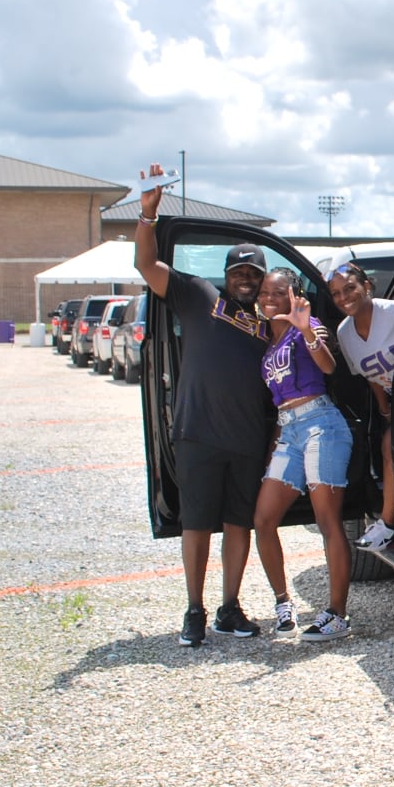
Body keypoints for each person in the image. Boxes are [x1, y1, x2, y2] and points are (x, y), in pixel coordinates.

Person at [134, 182, 272, 645]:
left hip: (249, 438)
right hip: (197, 433)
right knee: (195, 524)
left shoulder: (271, 324)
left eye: (254, 273)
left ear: (262, 278)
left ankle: (229, 608)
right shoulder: (197, 294)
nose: (246, 279)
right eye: (240, 271)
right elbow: (146, 265)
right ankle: (194, 610)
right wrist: (149, 215)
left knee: (239, 524)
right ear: (227, 273)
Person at [250, 269, 355, 641]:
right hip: (289, 432)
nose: (268, 298)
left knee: (328, 522)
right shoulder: (269, 339)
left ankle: (337, 615)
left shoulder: (306, 326)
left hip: (321, 426)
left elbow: (327, 365)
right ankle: (283, 605)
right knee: (263, 520)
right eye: (264, 292)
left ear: (294, 295)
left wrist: (307, 328)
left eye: (278, 292)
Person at [329, 263, 394, 549]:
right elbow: (370, 377)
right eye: (336, 293)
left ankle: (388, 525)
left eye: (350, 288)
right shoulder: (345, 333)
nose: (344, 297)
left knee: (388, 446)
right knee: (388, 447)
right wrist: (385, 410)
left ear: (366, 286)